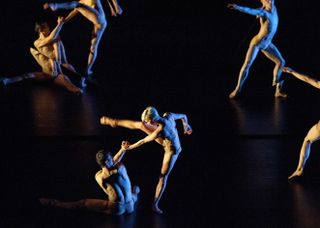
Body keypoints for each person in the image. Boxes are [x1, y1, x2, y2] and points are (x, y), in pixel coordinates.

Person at [100, 106, 192, 214]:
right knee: (141, 125)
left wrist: (129, 147)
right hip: (167, 140)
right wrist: (186, 125)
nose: (148, 124)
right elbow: (184, 116)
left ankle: (155, 204)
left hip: (171, 152)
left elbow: (143, 141)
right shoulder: (169, 115)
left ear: (152, 120)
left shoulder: (160, 131)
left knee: (162, 177)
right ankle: (114, 122)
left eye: (148, 122)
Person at [39, 141, 140, 215]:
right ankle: (135, 192)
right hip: (130, 205)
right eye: (111, 158)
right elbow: (116, 160)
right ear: (107, 162)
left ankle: (54, 203)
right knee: (135, 191)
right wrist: (123, 149)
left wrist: (122, 150)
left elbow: (111, 166)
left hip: (117, 208)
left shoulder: (99, 176)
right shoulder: (121, 167)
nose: (114, 159)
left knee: (82, 203)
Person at [43, 0, 123, 77]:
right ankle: (88, 70)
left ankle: (56, 5)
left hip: (100, 19)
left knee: (76, 4)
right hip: (99, 25)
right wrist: (65, 20)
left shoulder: (81, 3)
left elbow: (75, 5)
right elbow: (75, 10)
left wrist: (116, 6)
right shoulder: (82, 1)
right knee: (93, 47)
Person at [227, 0, 287, 98]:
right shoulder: (263, 12)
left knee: (281, 62)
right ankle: (237, 89)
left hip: (267, 44)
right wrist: (237, 7)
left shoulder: (274, 9)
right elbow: (249, 10)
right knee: (247, 64)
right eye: (267, 0)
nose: (269, 1)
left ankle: (278, 91)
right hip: (257, 43)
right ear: (263, 3)